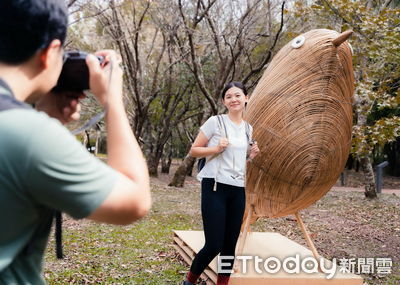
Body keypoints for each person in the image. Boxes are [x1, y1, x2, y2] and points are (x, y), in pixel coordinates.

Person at [0, 1, 151, 284]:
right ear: (49, 53)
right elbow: (135, 201)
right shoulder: (30, 135)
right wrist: (112, 100)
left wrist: (44, 117)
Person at [183, 82, 260, 285]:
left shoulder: (248, 129)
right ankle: (189, 281)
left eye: (237, 95)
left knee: (229, 245)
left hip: (237, 190)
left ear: (246, 98)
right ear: (224, 101)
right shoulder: (215, 122)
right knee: (214, 244)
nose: (234, 99)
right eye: (229, 96)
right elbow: (194, 150)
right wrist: (216, 148)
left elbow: (238, 160)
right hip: (214, 187)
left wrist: (250, 156)